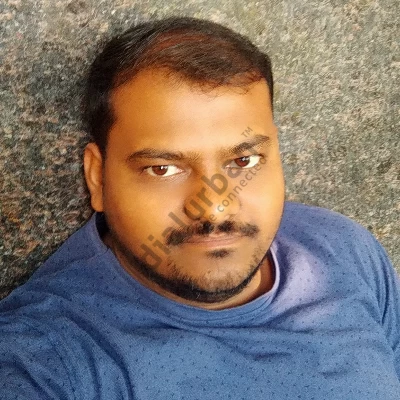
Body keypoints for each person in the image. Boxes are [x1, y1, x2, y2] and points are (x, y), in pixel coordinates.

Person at [0, 16, 399, 399]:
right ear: (97, 178)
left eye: (243, 161)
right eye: (162, 169)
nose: (214, 209)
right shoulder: (44, 358)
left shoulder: (345, 252)